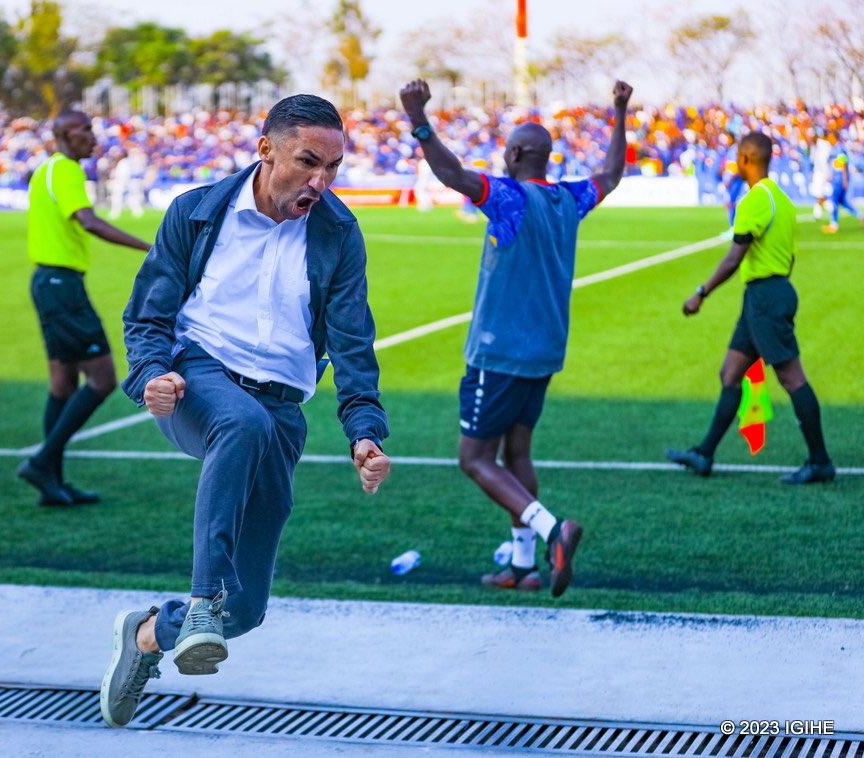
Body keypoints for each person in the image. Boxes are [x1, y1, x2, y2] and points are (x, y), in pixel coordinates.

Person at [99, 94, 392, 729]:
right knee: (242, 422)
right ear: (266, 150)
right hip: (198, 381)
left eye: (333, 168)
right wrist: (151, 375)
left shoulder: (339, 232)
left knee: (250, 608)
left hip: (281, 409)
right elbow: (147, 315)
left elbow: (352, 341)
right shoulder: (196, 213)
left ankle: (149, 634)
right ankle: (201, 601)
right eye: (307, 162)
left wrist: (363, 433)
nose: (320, 181)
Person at [398, 78, 633, 597]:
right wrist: (620, 112)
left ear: (521, 152)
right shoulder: (570, 199)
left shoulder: (506, 198)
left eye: (507, 149)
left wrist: (418, 119)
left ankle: (554, 531)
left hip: (499, 351)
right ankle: (525, 568)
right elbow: (613, 173)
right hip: (545, 352)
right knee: (517, 453)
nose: (502, 156)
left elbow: (452, 173)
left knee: (474, 458)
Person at [666, 132, 835, 485]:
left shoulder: (754, 201)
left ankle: (820, 462)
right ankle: (704, 454)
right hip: (770, 292)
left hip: (765, 298)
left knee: (792, 378)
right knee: (730, 373)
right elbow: (787, 257)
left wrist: (701, 293)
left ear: (744, 159)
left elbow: (733, 258)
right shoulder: (783, 201)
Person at [19, 110, 152, 506]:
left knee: (63, 384)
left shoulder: (48, 170)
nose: (92, 137)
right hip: (62, 285)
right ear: (61, 133)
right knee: (103, 378)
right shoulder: (66, 171)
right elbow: (89, 222)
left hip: (50, 283)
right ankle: (43, 462)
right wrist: (150, 248)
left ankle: (52, 482)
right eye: (84, 130)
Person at [821, 140, 862, 233]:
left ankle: (833, 224)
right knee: (843, 202)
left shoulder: (839, 149)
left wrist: (844, 180)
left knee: (833, 201)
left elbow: (842, 165)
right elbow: (835, 166)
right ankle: (860, 215)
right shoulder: (836, 149)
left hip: (838, 181)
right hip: (837, 180)